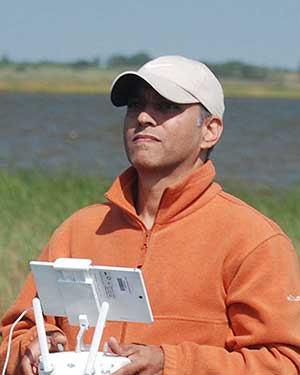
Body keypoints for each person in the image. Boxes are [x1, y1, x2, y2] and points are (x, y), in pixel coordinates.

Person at [1, 55, 300, 375]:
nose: (143, 116)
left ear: (210, 130)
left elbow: (283, 363)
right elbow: (11, 338)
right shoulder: (78, 230)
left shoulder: (253, 240)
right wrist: (30, 347)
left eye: (167, 106)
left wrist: (169, 364)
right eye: (134, 104)